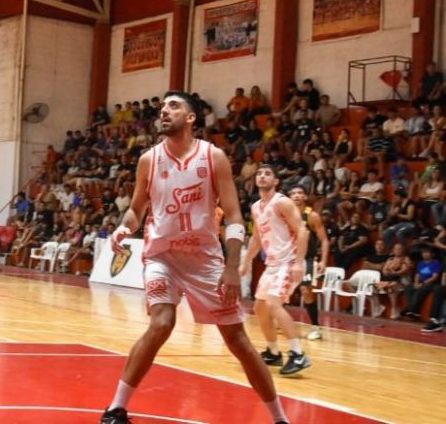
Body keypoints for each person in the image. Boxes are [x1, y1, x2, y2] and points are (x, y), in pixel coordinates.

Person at [101, 92, 290, 424]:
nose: (164, 111)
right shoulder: (149, 159)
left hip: (205, 259)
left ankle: (279, 419)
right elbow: (136, 208)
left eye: (173, 106)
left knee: (237, 340)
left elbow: (234, 216)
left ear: (191, 118)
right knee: (162, 323)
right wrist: (123, 228)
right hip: (162, 255)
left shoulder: (213, 157)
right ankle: (116, 410)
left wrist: (231, 267)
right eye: (162, 107)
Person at [240, 166, 311, 375]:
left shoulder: (282, 202)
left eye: (267, 174)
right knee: (260, 308)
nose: (262, 176)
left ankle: (298, 354)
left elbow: (302, 231)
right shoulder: (256, 207)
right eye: (259, 174)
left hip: (288, 261)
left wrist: (299, 262)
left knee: (273, 303)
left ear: (276, 181)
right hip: (272, 265)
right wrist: (246, 262)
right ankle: (273, 352)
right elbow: (257, 237)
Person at [288, 186, 328, 340]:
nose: (296, 195)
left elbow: (324, 240)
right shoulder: (286, 215)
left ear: (305, 197)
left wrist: (323, 260)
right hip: (289, 258)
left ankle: (316, 327)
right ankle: (281, 322)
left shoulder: (312, 216)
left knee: (306, 290)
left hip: (307, 259)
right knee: (281, 291)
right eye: (293, 193)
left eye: (300, 193)